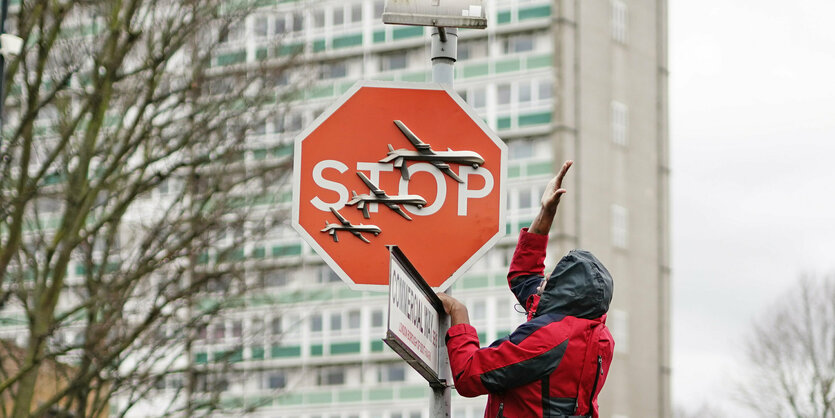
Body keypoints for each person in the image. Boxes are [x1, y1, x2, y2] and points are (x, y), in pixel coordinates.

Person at [437, 160, 615, 418]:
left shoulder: (549, 339)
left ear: (563, 294)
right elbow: (524, 276)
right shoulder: (592, 333)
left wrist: (458, 313)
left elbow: (468, 374)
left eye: (550, 280)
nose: (542, 282)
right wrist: (545, 213)